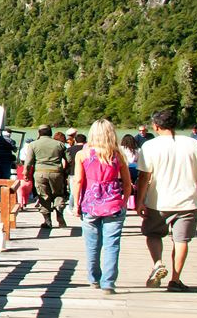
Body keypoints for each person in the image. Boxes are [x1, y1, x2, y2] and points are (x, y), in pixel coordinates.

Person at [136, 110, 197, 292]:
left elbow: (144, 177)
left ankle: (158, 263)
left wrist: (139, 201)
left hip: (158, 201)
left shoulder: (150, 146)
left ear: (156, 126)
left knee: (153, 235)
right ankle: (176, 280)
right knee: (181, 240)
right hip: (188, 201)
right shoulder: (193, 144)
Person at [75, 119, 133, 294]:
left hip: (90, 203)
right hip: (113, 203)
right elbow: (128, 182)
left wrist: (76, 203)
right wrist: (124, 201)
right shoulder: (118, 155)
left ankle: (93, 279)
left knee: (92, 244)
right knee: (112, 244)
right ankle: (108, 283)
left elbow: (78, 181)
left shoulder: (82, 155)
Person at [27, 125, 69, 228]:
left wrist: (25, 173)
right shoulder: (60, 144)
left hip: (40, 172)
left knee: (43, 196)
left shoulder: (33, 145)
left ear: (39, 133)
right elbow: (70, 160)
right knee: (58, 194)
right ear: (50, 132)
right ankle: (59, 213)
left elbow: (28, 162)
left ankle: (47, 221)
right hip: (56, 172)